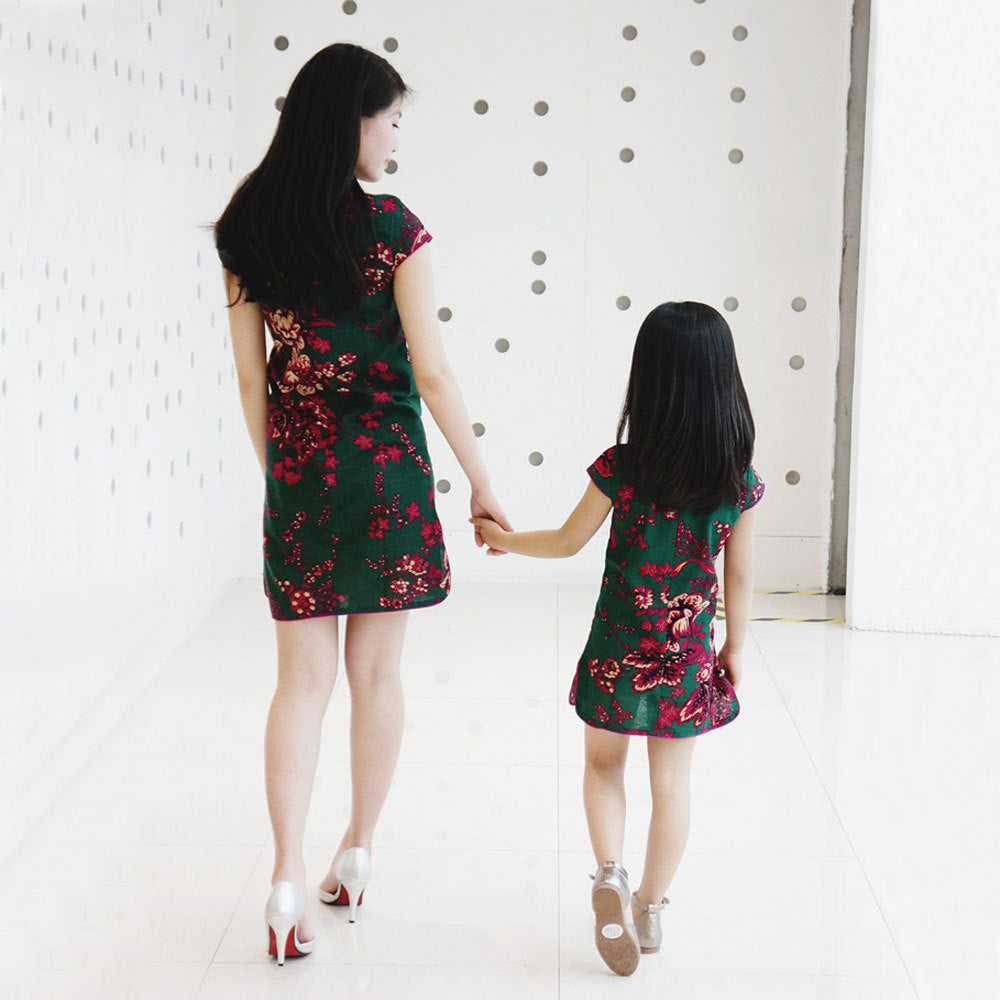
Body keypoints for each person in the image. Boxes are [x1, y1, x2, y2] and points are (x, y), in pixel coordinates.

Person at [214, 42, 509, 965]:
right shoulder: (394, 229)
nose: (394, 136)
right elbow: (431, 368)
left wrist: (285, 474)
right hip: (386, 475)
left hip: (302, 474)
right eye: (388, 118)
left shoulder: (247, 226)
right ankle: (359, 854)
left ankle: (287, 875)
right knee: (377, 677)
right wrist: (484, 479)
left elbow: (253, 389)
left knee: (299, 681)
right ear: (352, 118)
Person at [472, 301, 764, 976]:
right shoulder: (737, 481)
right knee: (674, 783)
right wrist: (734, 647)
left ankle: (608, 870)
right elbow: (740, 574)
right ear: (726, 382)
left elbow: (568, 541)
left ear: (649, 381)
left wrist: (503, 540)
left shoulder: (622, 466)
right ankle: (650, 908)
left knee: (604, 765)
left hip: (615, 651)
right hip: (685, 657)